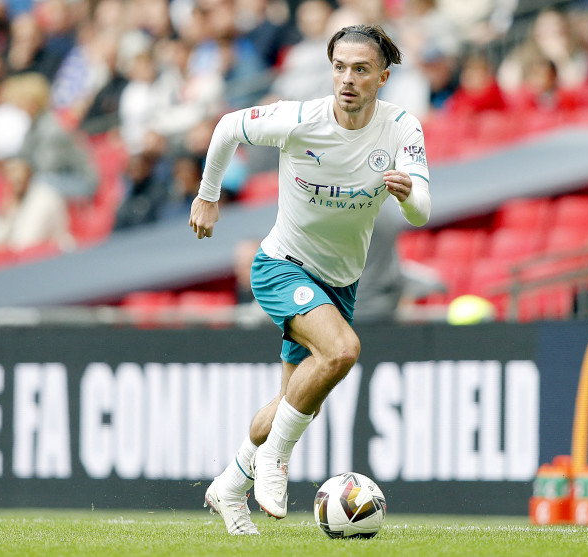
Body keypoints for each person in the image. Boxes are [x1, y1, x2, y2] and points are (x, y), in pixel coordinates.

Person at [188, 24, 431, 535]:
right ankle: (274, 460)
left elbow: (422, 212)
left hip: (339, 284)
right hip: (282, 265)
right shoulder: (300, 119)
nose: (347, 79)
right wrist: (208, 195)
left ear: (383, 77)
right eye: (339, 67)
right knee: (342, 350)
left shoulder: (401, 128)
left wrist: (409, 194)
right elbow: (228, 126)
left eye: (361, 69)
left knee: (294, 402)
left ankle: (229, 485)